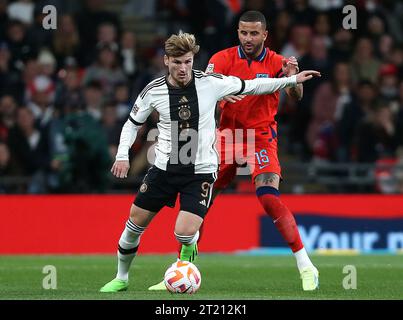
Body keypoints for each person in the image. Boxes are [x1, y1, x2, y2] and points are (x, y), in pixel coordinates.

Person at [99, 31, 319, 292]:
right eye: (178, 62)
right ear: (166, 61)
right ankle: (121, 278)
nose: (183, 68)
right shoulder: (153, 91)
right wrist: (123, 154)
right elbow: (132, 124)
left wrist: (293, 79)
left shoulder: (210, 83)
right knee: (134, 225)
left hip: (201, 170)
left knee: (183, 233)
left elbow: (253, 86)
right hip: (164, 169)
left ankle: (186, 264)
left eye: (188, 62)